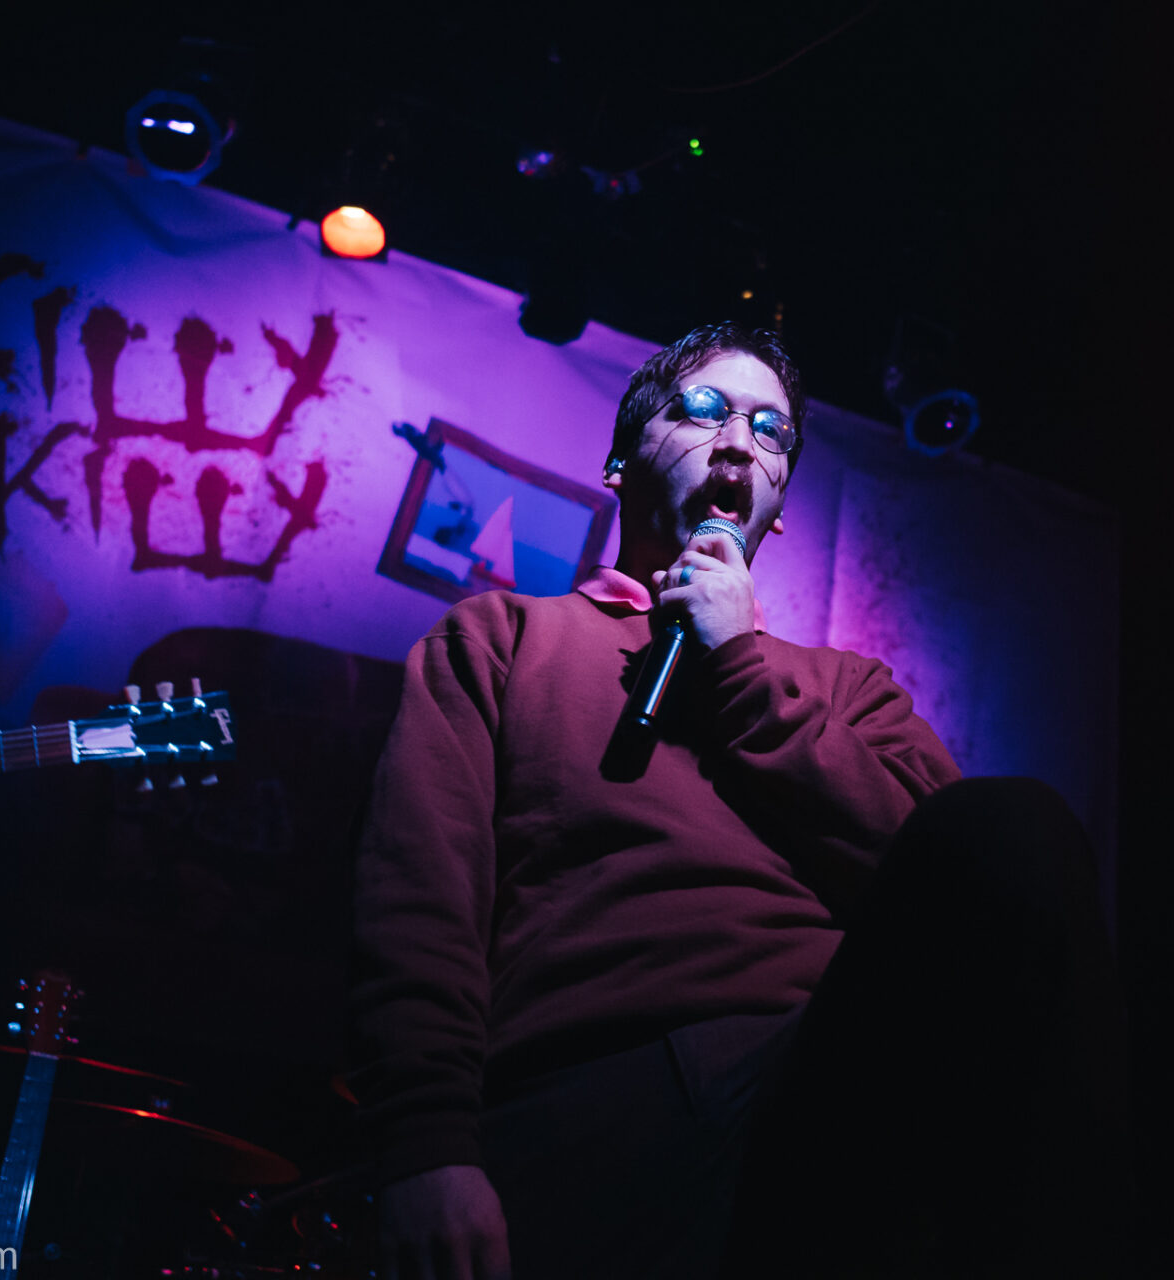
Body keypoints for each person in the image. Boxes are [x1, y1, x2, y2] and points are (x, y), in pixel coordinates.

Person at [349, 323, 1129, 1279]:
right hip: (595, 1091)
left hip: (823, 1083)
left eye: (770, 432)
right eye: (702, 410)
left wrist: (740, 673)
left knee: (1017, 828)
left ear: (779, 509)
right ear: (619, 464)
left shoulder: (847, 688)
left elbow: (949, 881)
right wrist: (425, 1144)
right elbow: (419, 896)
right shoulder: (502, 639)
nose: (736, 444)